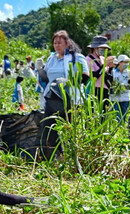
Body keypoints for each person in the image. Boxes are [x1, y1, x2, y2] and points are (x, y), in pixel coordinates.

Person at [41, 30, 89, 159]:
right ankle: (56, 157)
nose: (57, 45)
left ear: (67, 43)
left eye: (59, 43)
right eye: (55, 43)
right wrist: (39, 70)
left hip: (69, 100)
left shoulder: (77, 57)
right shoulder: (51, 59)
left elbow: (85, 77)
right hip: (52, 100)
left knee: (69, 130)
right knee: (49, 129)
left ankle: (72, 157)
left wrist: (67, 84)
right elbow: (46, 77)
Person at [86, 35, 113, 104]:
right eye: (102, 48)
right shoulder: (88, 60)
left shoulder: (103, 59)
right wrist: (104, 66)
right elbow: (94, 76)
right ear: (95, 48)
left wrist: (110, 67)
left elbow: (106, 74)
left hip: (105, 89)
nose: (103, 51)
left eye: (105, 49)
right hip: (95, 90)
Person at [110, 54, 130, 123]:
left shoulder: (129, 73)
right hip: (114, 98)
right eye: (125, 62)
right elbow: (110, 84)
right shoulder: (113, 72)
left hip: (125, 97)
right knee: (116, 116)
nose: (126, 64)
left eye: (127, 62)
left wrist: (122, 87)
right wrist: (115, 88)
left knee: (123, 117)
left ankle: (122, 130)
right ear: (120, 62)